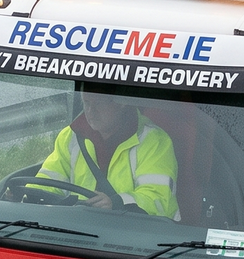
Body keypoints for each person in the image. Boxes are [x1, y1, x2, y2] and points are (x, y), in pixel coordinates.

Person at [27, 85, 179, 219]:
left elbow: (159, 200)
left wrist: (117, 203)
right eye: (86, 103)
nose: (90, 112)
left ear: (122, 103)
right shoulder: (71, 136)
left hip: (138, 238)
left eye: (98, 104)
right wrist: (28, 194)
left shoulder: (154, 141)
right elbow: (50, 180)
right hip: (78, 230)